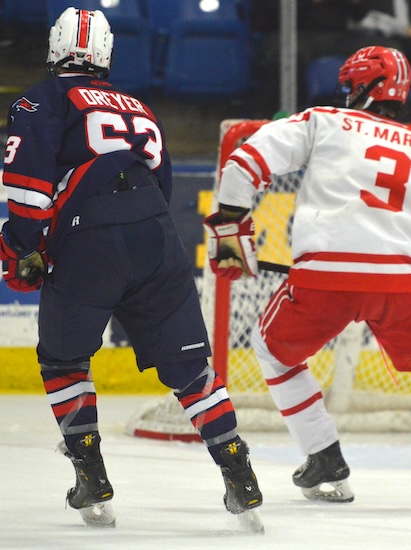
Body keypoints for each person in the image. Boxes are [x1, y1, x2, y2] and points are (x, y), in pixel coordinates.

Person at [203, 45, 411, 509]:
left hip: (327, 279)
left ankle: (323, 455)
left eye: (348, 87)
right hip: (406, 286)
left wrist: (231, 225)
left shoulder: (324, 120)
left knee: (272, 351)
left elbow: (246, 161)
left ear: (362, 87)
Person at [0, 8, 262, 528]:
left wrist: (19, 250)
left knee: (64, 360)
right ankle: (239, 470)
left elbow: (27, 190)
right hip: (157, 236)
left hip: (89, 237)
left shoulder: (40, 98)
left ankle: (91, 474)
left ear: (55, 50)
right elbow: (160, 190)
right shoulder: (139, 106)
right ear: (106, 54)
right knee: (192, 369)